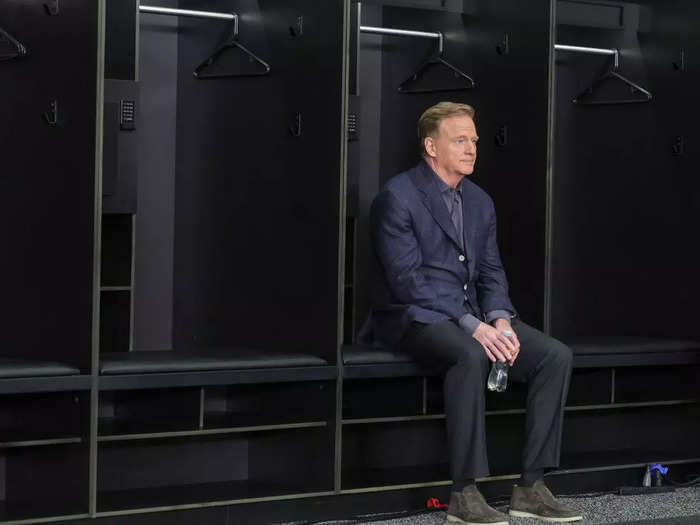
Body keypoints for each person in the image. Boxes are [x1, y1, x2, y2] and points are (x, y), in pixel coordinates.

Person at [361, 102, 582, 524]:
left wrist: (499, 318)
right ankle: (464, 495)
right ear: (431, 146)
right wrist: (474, 326)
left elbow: (492, 271)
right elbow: (407, 283)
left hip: (474, 316)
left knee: (555, 355)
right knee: (471, 353)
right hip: (412, 317)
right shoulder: (397, 197)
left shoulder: (480, 201)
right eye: (459, 140)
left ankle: (530, 487)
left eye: (474, 140)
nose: (471, 148)